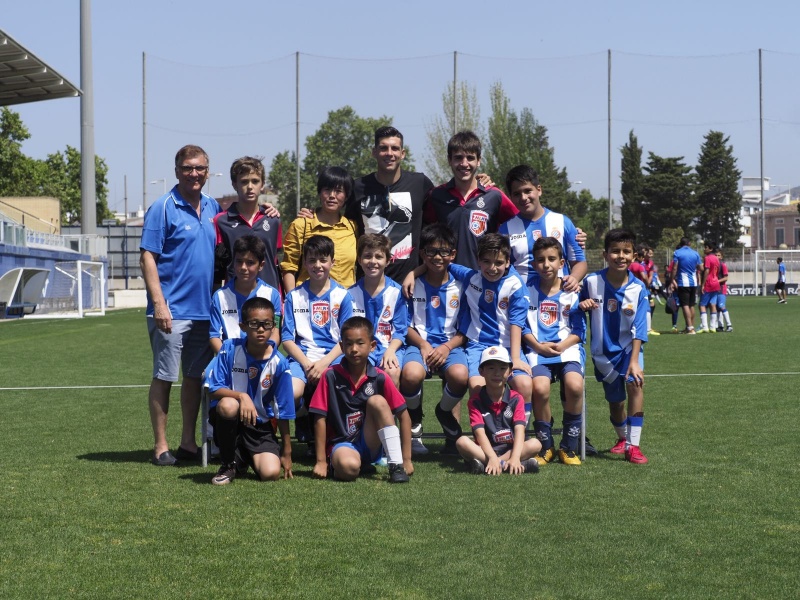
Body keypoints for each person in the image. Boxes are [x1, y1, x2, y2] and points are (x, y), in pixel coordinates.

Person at [140, 145, 220, 466]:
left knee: (194, 378)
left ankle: (188, 442)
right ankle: (161, 446)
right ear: (177, 171)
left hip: (205, 314)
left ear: (207, 171)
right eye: (187, 168)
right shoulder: (163, 207)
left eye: (199, 168)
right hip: (170, 312)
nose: (194, 174)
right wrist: (159, 303)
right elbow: (148, 256)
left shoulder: (214, 208)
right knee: (164, 376)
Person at [308, 316, 412, 483]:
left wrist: (406, 459)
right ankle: (347, 463)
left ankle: (396, 465)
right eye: (348, 344)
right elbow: (319, 418)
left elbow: (404, 415)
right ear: (341, 347)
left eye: (360, 343)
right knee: (349, 469)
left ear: (372, 346)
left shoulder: (380, 377)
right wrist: (320, 461)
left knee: (377, 401)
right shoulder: (330, 375)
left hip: (370, 442)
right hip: (342, 442)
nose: (354, 349)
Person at [204, 297, 294, 485]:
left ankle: (242, 457)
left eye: (266, 324)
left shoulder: (280, 363)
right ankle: (228, 464)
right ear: (243, 326)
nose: (260, 329)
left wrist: (287, 452)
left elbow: (284, 411)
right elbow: (213, 389)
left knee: (270, 473)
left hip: (259, 426)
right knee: (228, 405)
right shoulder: (229, 348)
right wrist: (241, 396)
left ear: (273, 327)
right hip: (231, 419)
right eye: (254, 324)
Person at [579, 229, 649, 464]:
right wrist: (582, 305)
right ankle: (622, 438)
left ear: (634, 255)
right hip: (602, 354)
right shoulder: (590, 282)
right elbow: (572, 307)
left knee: (636, 385)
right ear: (605, 254)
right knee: (615, 402)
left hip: (630, 350)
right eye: (616, 251)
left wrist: (634, 362)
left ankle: (633, 446)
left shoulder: (638, 288)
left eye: (626, 252)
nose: (621, 256)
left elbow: (640, 327)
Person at [400, 223, 469, 456]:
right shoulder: (411, 285)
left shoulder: (463, 286)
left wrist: (447, 347)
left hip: (451, 346)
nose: (437, 257)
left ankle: (444, 412)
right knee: (410, 374)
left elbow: (467, 329)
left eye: (444, 251)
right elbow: (404, 325)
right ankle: (415, 422)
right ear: (422, 254)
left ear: (453, 254)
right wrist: (423, 344)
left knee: (460, 376)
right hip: (418, 344)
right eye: (431, 251)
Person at [281, 235, 354, 439]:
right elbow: (287, 338)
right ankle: (303, 412)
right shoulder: (293, 296)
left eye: (323, 260)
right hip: (302, 358)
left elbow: (346, 339)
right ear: (304, 263)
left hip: (333, 357)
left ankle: (334, 436)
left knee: (337, 391)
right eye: (312, 260)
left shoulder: (343, 295)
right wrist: (306, 364)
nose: (317, 265)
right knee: (291, 393)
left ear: (333, 262)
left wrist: (323, 363)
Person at [523, 237, 586, 466]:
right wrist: (539, 346)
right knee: (539, 389)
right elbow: (521, 326)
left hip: (567, 348)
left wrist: (563, 345)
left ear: (562, 263)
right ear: (533, 263)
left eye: (551, 259)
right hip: (537, 349)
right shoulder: (525, 290)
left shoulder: (572, 289)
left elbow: (580, 330)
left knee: (574, 385)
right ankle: (545, 446)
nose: (546, 265)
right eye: (540, 260)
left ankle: (569, 447)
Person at [344, 126, 435, 282]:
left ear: (402, 153)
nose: (389, 153)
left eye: (395, 148)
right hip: (368, 284)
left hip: (409, 285)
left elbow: (445, 204)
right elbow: (341, 225)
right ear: (374, 152)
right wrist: (314, 213)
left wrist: (479, 182)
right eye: (383, 148)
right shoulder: (358, 187)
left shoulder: (419, 183)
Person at [423, 131, 518, 271]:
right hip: (447, 279)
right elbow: (426, 236)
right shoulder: (436, 195)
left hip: (484, 279)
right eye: (458, 158)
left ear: (479, 160)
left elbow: (520, 224)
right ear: (449, 160)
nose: (464, 163)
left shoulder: (493, 196)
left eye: (470, 158)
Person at [499, 165, 587, 294]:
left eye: (528, 191)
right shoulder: (505, 230)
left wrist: (574, 278)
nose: (523, 197)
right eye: (517, 194)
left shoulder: (563, 222)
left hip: (560, 300)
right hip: (524, 303)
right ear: (510, 197)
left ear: (539, 190)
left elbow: (579, 262)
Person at [456, 346, 541, 475]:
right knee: (461, 442)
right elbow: (479, 433)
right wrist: (492, 457)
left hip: (510, 450)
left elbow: (519, 430)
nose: (497, 373)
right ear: (481, 371)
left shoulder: (516, 398)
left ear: (510, 371)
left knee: (535, 444)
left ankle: (489, 465)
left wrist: (515, 457)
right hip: (485, 450)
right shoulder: (475, 401)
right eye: (491, 368)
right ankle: (508, 465)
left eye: (503, 368)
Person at [281, 166, 359, 292]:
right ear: (319, 192)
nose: (332, 196)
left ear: (346, 196)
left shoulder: (352, 227)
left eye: (338, 191)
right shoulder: (301, 225)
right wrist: (293, 302)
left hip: (346, 302)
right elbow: (289, 267)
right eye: (327, 190)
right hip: (308, 301)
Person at [213, 156, 282, 292]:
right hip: (234, 299)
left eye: (255, 181)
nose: (250, 187)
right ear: (234, 184)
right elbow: (218, 268)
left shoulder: (273, 220)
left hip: (269, 299)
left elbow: (277, 262)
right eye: (244, 182)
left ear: (262, 184)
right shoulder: (221, 221)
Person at [348, 234, 408, 387]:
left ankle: (391, 410)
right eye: (367, 256)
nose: (373, 261)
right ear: (359, 260)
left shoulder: (397, 292)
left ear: (388, 261)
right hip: (359, 349)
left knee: (392, 371)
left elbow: (400, 331)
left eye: (379, 256)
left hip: (388, 347)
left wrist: (390, 351)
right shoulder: (349, 294)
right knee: (354, 371)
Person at [209, 235, 282, 353]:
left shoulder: (272, 294)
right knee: (207, 372)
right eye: (239, 261)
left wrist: (266, 355)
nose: (243, 267)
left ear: (261, 265)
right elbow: (214, 336)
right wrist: (228, 359)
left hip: (262, 356)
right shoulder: (220, 296)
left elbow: (275, 332)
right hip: (230, 358)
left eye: (250, 263)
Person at [669, 237, 703, 334]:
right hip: (694, 282)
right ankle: (690, 327)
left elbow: (674, 267)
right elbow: (700, 267)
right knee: (691, 305)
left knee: (685, 305)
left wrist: (672, 280)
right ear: (689, 243)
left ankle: (690, 328)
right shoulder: (695, 253)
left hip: (683, 282)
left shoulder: (677, 253)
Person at [697, 243, 721, 334]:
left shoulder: (707, 258)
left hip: (709, 283)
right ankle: (713, 327)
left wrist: (703, 284)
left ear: (710, 249)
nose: (704, 249)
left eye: (706, 247)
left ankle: (705, 327)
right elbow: (717, 270)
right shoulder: (716, 258)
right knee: (713, 304)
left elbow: (706, 270)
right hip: (716, 283)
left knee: (702, 305)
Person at [715, 250, 733, 332]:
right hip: (714, 288)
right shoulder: (713, 266)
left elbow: (726, 278)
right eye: (716, 255)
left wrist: (716, 281)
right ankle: (720, 326)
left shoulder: (723, 265)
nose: (717, 257)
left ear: (721, 257)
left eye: (718, 255)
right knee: (717, 308)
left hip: (721, 288)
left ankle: (729, 325)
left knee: (721, 306)